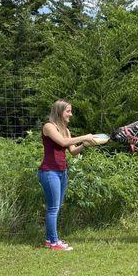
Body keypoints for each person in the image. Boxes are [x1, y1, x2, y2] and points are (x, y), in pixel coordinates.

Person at [38, 100, 97, 251]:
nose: (71, 114)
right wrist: (84, 137)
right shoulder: (49, 127)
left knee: (56, 207)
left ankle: (49, 240)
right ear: (59, 112)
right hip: (49, 172)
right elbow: (63, 142)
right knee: (53, 208)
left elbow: (72, 151)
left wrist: (84, 145)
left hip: (62, 172)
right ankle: (54, 242)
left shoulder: (66, 130)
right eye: (68, 111)